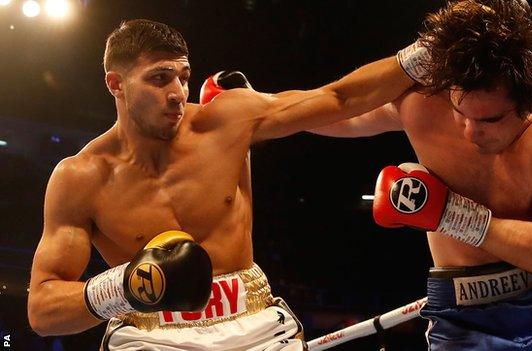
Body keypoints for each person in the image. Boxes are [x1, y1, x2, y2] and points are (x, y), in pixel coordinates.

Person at [26, 19, 420, 350]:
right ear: (116, 84)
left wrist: (422, 56)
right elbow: (42, 311)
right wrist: (128, 287)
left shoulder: (226, 121)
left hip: (254, 322)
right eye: (159, 79)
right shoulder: (81, 177)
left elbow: (337, 97)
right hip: (152, 337)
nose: (178, 94)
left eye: (183, 77)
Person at [311, 0, 532, 349]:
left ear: (531, 104)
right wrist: (256, 108)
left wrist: (448, 214)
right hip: (463, 314)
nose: (470, 132)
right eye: (460, 112)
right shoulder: (423, 105)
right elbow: (334, 110)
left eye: (490, 120)